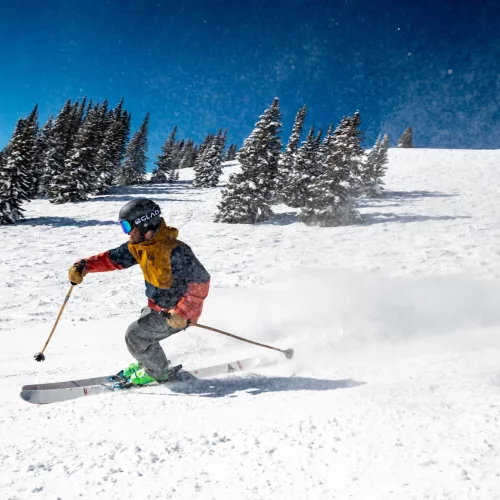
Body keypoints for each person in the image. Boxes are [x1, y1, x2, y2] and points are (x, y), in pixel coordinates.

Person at [68, 198, 210, 386]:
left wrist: (182, 312)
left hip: (177, 313)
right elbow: (112, 259)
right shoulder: (140, 247)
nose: (127, 233)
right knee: (142, 331)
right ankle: (150, 361)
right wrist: (84, 266)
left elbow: (201, 282)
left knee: (135, 335)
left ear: (144, 225)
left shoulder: (175, 251)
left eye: (127, 226)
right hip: (157, 307)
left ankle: (159, 372)